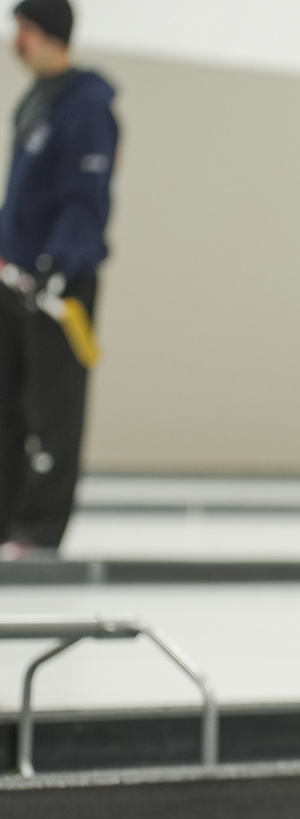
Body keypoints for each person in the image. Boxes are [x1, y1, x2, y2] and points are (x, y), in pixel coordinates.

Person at [0, 0, 116, 561]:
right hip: (14, 281)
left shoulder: (86, 103)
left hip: (58, 286)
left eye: (22, 31)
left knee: (53, 411)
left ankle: (39, 533)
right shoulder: (34, 102)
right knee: (7, 407)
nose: (15, 42)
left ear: (49, 34)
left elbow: (83, 202)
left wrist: (55, 267)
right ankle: (6, 521)